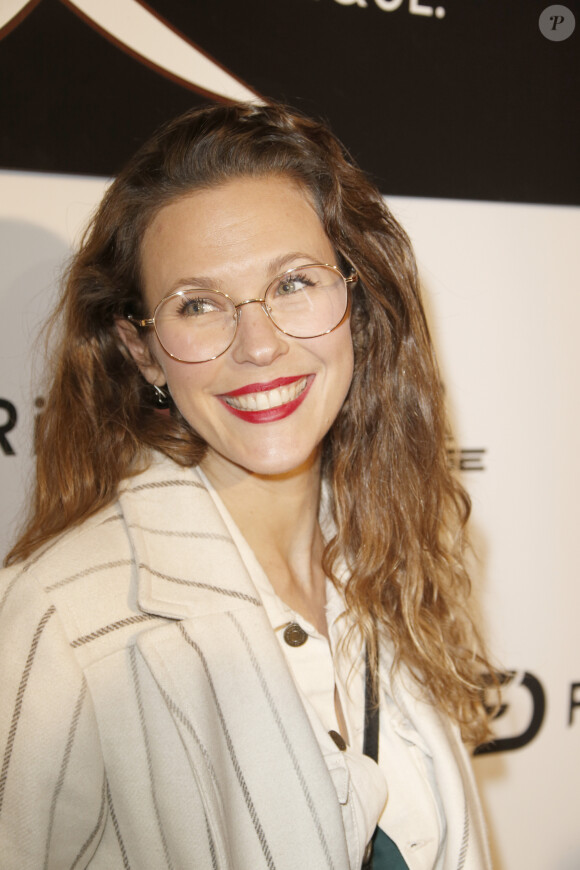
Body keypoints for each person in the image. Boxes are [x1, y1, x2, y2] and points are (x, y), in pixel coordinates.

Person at [0, 102, 495, 869]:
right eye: (198, 305)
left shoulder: (389, 555)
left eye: (295, 283)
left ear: (355, 305)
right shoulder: (66, 615)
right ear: (144, 352)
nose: (260, 345)